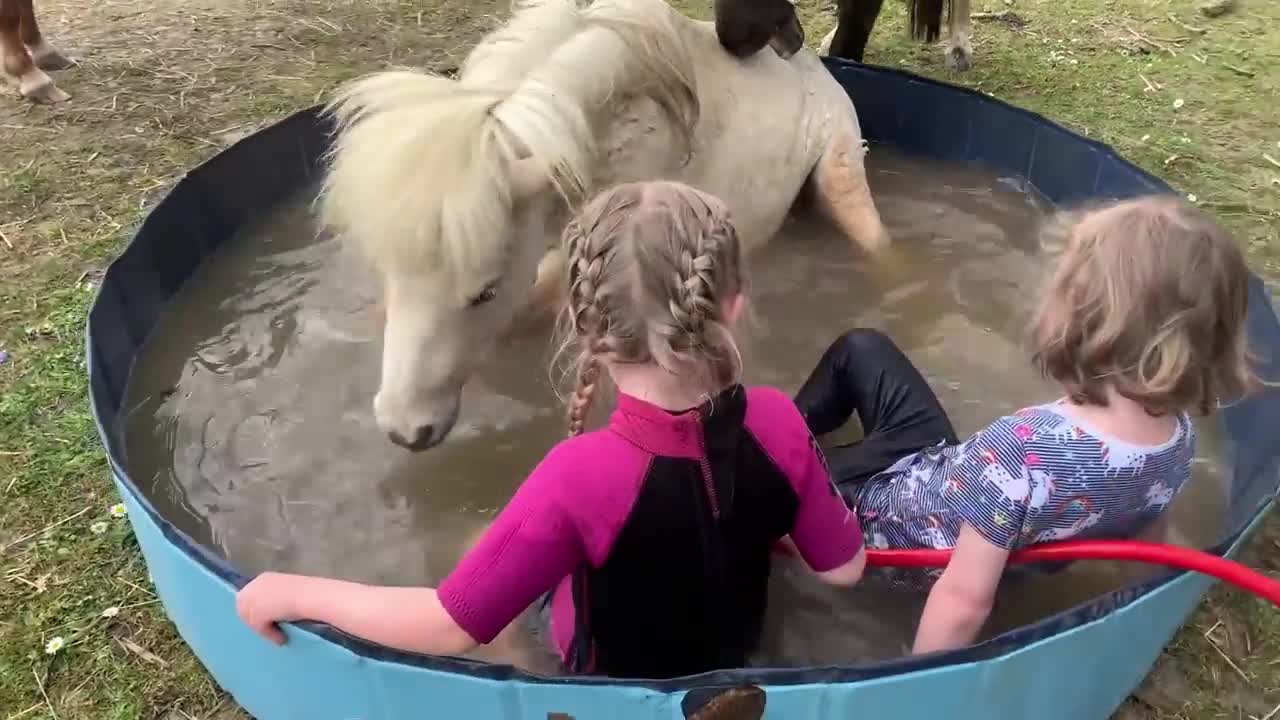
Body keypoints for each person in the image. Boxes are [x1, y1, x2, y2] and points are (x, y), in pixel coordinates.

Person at [235, 181, 867, 678]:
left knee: (474, 539)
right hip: (741, 663)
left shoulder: (576, 477)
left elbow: (449, 625)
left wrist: (293, 592)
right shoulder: (779, 420)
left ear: (584, 326)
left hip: (602, 689)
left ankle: (523, 670)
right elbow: (843, 570)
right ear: (733, 304)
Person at [792, 195, 1258, 655]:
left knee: (768, 458)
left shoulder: (1024, 449)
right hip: (948, 486)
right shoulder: (1177, 442)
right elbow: (1148, 541)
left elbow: (963, 600)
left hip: (878, 522)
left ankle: (776, 438)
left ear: (1086, 319)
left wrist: (919, 688)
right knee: (864, 348)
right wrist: (1140, 610)